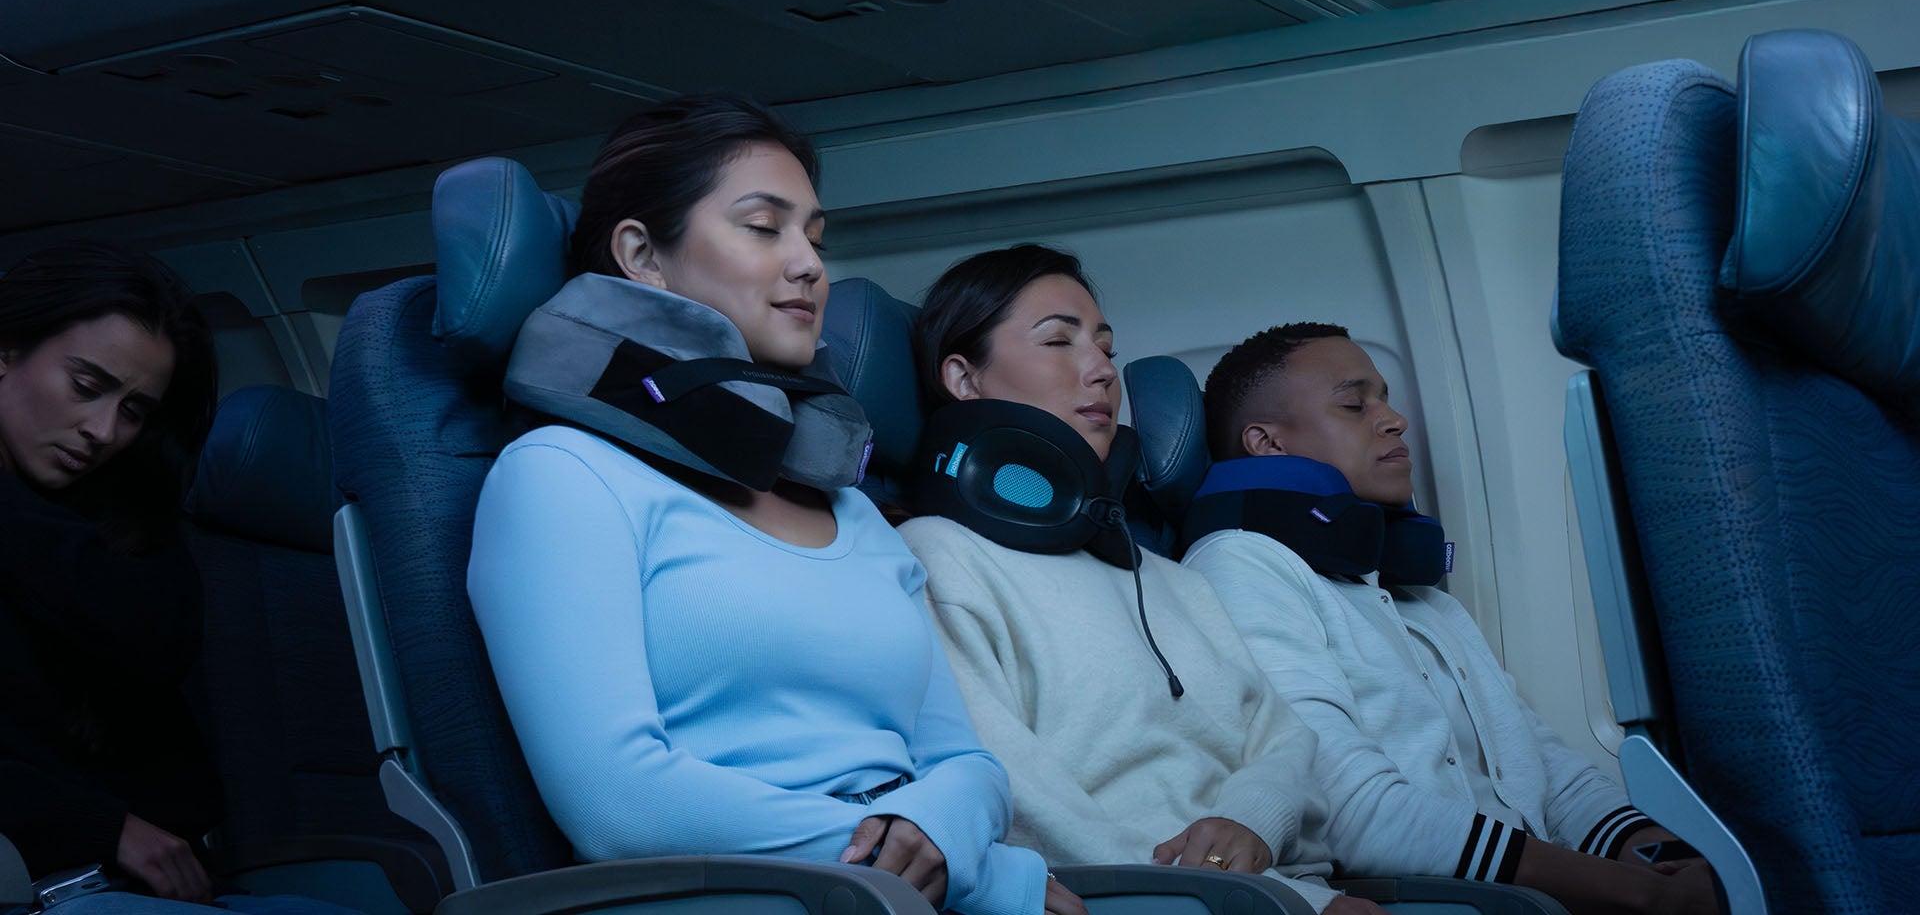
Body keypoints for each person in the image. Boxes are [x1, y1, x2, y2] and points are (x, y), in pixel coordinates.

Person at [466, 96, 1077, 915]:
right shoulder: (560, 476)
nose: (809, 266)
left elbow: (963, 762)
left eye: (816, 238)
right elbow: (618, 803)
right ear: (642, 253)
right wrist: (960, 872)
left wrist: (935, 831)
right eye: (764, 228)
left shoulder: (852, 511)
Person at [897, 244, 1381, 915]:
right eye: (1059, 341)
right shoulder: (936, 558)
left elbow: (1285, 738)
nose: (1100, 371)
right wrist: (1232, 894)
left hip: (1271, 889)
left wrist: (1253, 825)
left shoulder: (1168, 575)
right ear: (963, 378)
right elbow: (1013, 798)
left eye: (1105, 348)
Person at [1188, 321, 1719, 915]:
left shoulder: (1421, 600)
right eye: (1354, 403)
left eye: (1386, 398)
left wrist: (1673, 860)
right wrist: (1643, 895)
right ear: (1267, 444)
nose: (1393, 420)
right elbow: (1349, 809)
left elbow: (1548, 773)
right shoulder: (1243, 563)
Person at [0, 241, 358, 914]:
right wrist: (100, 828)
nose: (104, 431)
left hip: (167, 880)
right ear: (6, 351)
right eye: (86, 386)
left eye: (134, 410)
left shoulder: (120, 518)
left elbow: (152, 646)